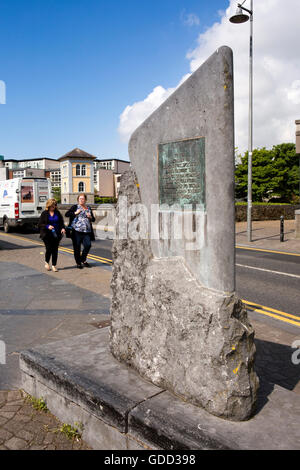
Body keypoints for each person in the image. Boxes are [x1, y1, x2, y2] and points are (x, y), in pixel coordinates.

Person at [65, 194, 95, 269]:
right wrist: (75, 213)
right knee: (77, 248)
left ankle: (83, 259)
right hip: (76, 231)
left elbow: (93, 219)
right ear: (78, 200)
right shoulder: (75, 207)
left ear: (85, 200)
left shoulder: (88, 208)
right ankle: (79, 263)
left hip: (86, 231)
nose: (81, 200)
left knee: (88, 245)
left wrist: (90, 217)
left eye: (83, 199)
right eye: (80, 199)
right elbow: (67, 214)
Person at [38, 198, 66, 272]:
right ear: (49, 205)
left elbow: (61, 222)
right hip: (47, 234)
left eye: (55, 205)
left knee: (55, 250)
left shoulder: (57, 213)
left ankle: (54, 265)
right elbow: (40, 224)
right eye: (52, 206)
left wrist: (63, 228)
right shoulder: (44, 213)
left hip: (56, 234)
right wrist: (48, 226)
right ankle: (46, 262)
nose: (53, 207)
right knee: (49, 249)